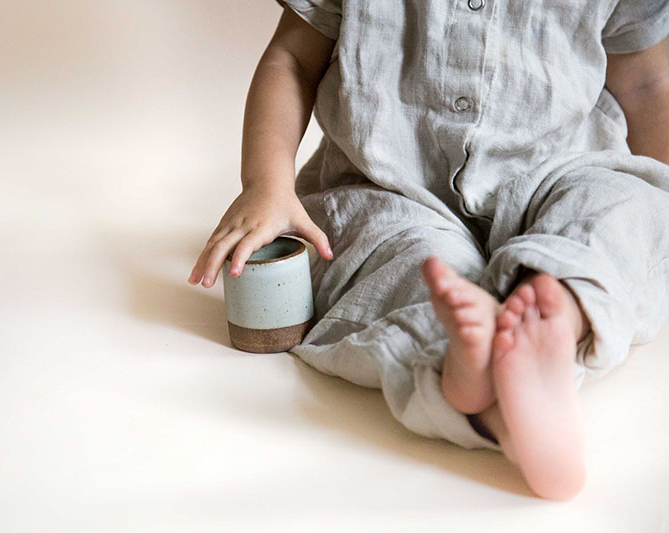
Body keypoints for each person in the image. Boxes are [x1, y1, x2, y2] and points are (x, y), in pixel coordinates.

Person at [187, 0, 669, 500]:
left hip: (557, 175)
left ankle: (556, 307)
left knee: (620, 207)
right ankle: (481, 382)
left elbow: (648, 85)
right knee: (404, 259)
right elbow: (292, 58)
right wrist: (266, 184)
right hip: (388, 185)